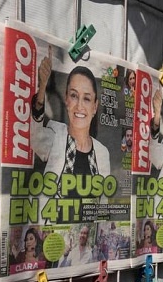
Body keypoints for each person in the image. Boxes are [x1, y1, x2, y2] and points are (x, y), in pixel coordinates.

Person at [31, 50, 111, 197]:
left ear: (95, 106)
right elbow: (33, 137)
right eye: (74, 96)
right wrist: (42, 87)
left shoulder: (102, 153)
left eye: (87, 98)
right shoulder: (56, 134)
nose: (79, 106)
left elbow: (103, 205)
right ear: (66, 100)